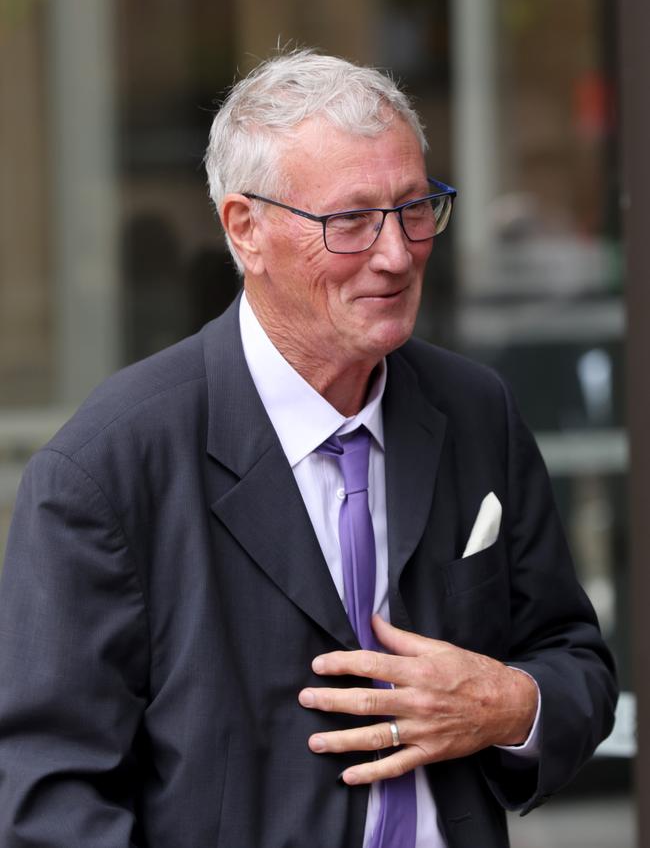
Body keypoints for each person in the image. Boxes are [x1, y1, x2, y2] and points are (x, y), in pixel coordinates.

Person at [0, 50, 617, 848]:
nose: (396, 254)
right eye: (351, 220)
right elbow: (52, 803)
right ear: (244, 229)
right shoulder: (109, 470)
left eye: (414, 207)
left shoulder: (473, 410)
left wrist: (507, 706)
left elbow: (576, 664)